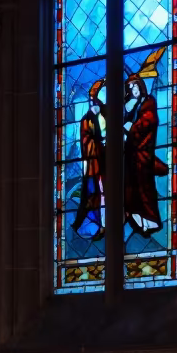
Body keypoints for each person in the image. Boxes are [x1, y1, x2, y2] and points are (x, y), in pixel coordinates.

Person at [124, 49, 169, 236]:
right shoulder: (134, 106)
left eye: (135, 87)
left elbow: (148, 122)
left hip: (143, 154)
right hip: (132, 156)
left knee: (145, 190)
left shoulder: (148, 102)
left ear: (141, 87)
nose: (133, 91)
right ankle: (137, 218)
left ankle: (150, 221)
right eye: (130, 88)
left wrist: (130, 128)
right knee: (132, 191)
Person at [72, 79, 106, 241]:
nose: (96, 105)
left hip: (102, 162)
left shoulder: (101, 116)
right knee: (92, 193)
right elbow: (88, 140)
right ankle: (92, 226)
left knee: (101, 194)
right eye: (95, 102)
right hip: (93, 164)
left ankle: (101, 224)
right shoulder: (87, 120)